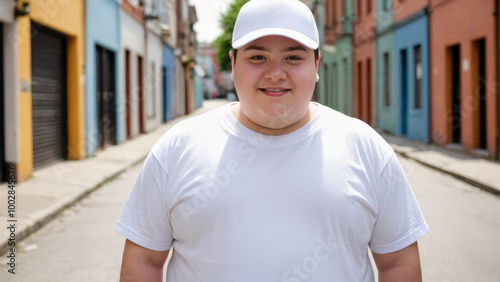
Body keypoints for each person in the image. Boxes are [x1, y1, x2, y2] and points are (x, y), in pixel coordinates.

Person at [115, 0, 429, 281]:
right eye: (257, 57)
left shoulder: (367, 148)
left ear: (316, 66)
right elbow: (143, 261)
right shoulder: (177, 148)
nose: (275, 73)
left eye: (293, 57)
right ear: (234, 64)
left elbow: (398, 263)